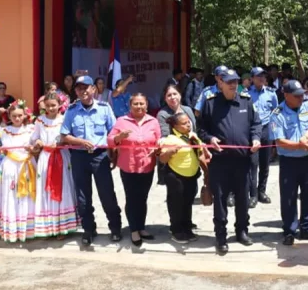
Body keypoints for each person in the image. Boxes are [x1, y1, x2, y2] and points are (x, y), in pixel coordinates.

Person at [197, 69, 262, 254]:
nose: (233, 85)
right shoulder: (210, 104)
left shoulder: (246, 101)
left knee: (242, 199)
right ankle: (221, 236)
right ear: (220, 82)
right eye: (229, 82)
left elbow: (256, 124)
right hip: (220, 162)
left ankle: (242, 231)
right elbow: (201, 129)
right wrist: (210, 139)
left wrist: (256, 138)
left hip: (242, 161)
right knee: (220, 200)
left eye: (236, 81)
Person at [61, 75, 123, 246]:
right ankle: (89, 229)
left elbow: (113, 133)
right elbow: (64, 135)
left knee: (107, 194)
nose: (83, 91)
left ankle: (115, 228)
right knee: (83, 197)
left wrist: (114, 155)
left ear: (94, 89)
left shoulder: (104, 108)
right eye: (79, 88)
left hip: (100, 156)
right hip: (79, 156)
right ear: (76, 91)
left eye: (86, 87)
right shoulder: (71, 111)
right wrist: (81, 142)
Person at [271, 80, 308, 246]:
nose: (301, 98)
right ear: (286, 95)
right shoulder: (278, 113)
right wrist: (299, 145)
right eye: (296, 96)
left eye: (302, 94)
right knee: (288, 197)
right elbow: (280, 141)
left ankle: (307, 229)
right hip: (289, 161)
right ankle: (289, 230)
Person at [108, 93, 160, 247]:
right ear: (130, 106)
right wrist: (119, 137)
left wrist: (158, 148)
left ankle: (141, 227)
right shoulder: (122, 121)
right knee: (131, 198)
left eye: (141, 104)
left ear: (146, 105)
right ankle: (133, 230)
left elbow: (159, 140)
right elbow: (110, 140)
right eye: (135, 104)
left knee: (142, 198)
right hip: (128, 166)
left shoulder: (153, 121)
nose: (139, 107)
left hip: (147, 166)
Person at [31, 93, 78, 239]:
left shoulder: (65, 119)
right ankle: (48, 226)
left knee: (63, 188)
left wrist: (61, 143)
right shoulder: (40, 120)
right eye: (48, 105)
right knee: (46, 189)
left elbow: (70, 137)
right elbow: (34, 138)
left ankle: (62, 226)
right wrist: (38, 142)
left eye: (53, 105)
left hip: (61, 156)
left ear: (60, 105)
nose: (51, 108)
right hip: (45, 158)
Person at [159, 112, 210, 245]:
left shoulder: (193, 137)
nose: (188, 124)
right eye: (184, 123)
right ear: (175, 126)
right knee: (176, 204)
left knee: (188, 203)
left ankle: (187, 227)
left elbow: (200, 155)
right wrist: (170, 151)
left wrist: (206, 173)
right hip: (176, 176)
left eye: (188, 121)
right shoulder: (170, 140)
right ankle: (176, 230)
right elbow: (162, 159)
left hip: (192, 176)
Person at [0, 100, 36, 242]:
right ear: (9, 116)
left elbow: (37, 147)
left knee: (26, 196)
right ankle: (11, 229)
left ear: (25, 115)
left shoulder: (31, 129)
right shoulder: (3, 131)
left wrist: (33, 149)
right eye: (14, 116)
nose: (17, 118)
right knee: (10, 195)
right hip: (10, 165)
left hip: (26, 164)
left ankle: (28, 229)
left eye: (20, 115)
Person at [248, 67, 279, 207]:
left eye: (263, 76)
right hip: (252, 131)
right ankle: (253, 194)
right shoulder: (246, 94)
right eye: (258, 76)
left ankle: (262, 191)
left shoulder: (272, 94)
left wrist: (274, 132)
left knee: (265, 164)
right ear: (252, 78)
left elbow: (276, 112)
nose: (261, 78)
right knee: (252, 164)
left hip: (266, 130)